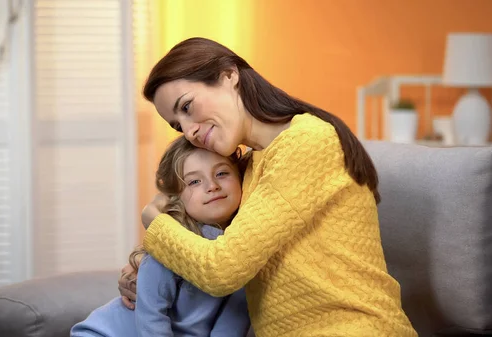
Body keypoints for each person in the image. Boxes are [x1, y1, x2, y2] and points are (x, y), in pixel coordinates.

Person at [118, 37, 418, 337]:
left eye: (187, 106)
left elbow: (221, 269)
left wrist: (153, 221)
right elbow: (201, 227)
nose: (190, 130)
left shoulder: (307, 143)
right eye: (177, 125)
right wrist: (146, 269)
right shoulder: (249, 166)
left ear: (229, 75)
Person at [71, 136, 251, 337]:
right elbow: (152, 319)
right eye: (194, 181)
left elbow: (234, 319)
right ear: (176, 198)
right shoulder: (168, 244)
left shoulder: (246, 249)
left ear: (241, 177)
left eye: (221, 173)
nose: (212, 185)